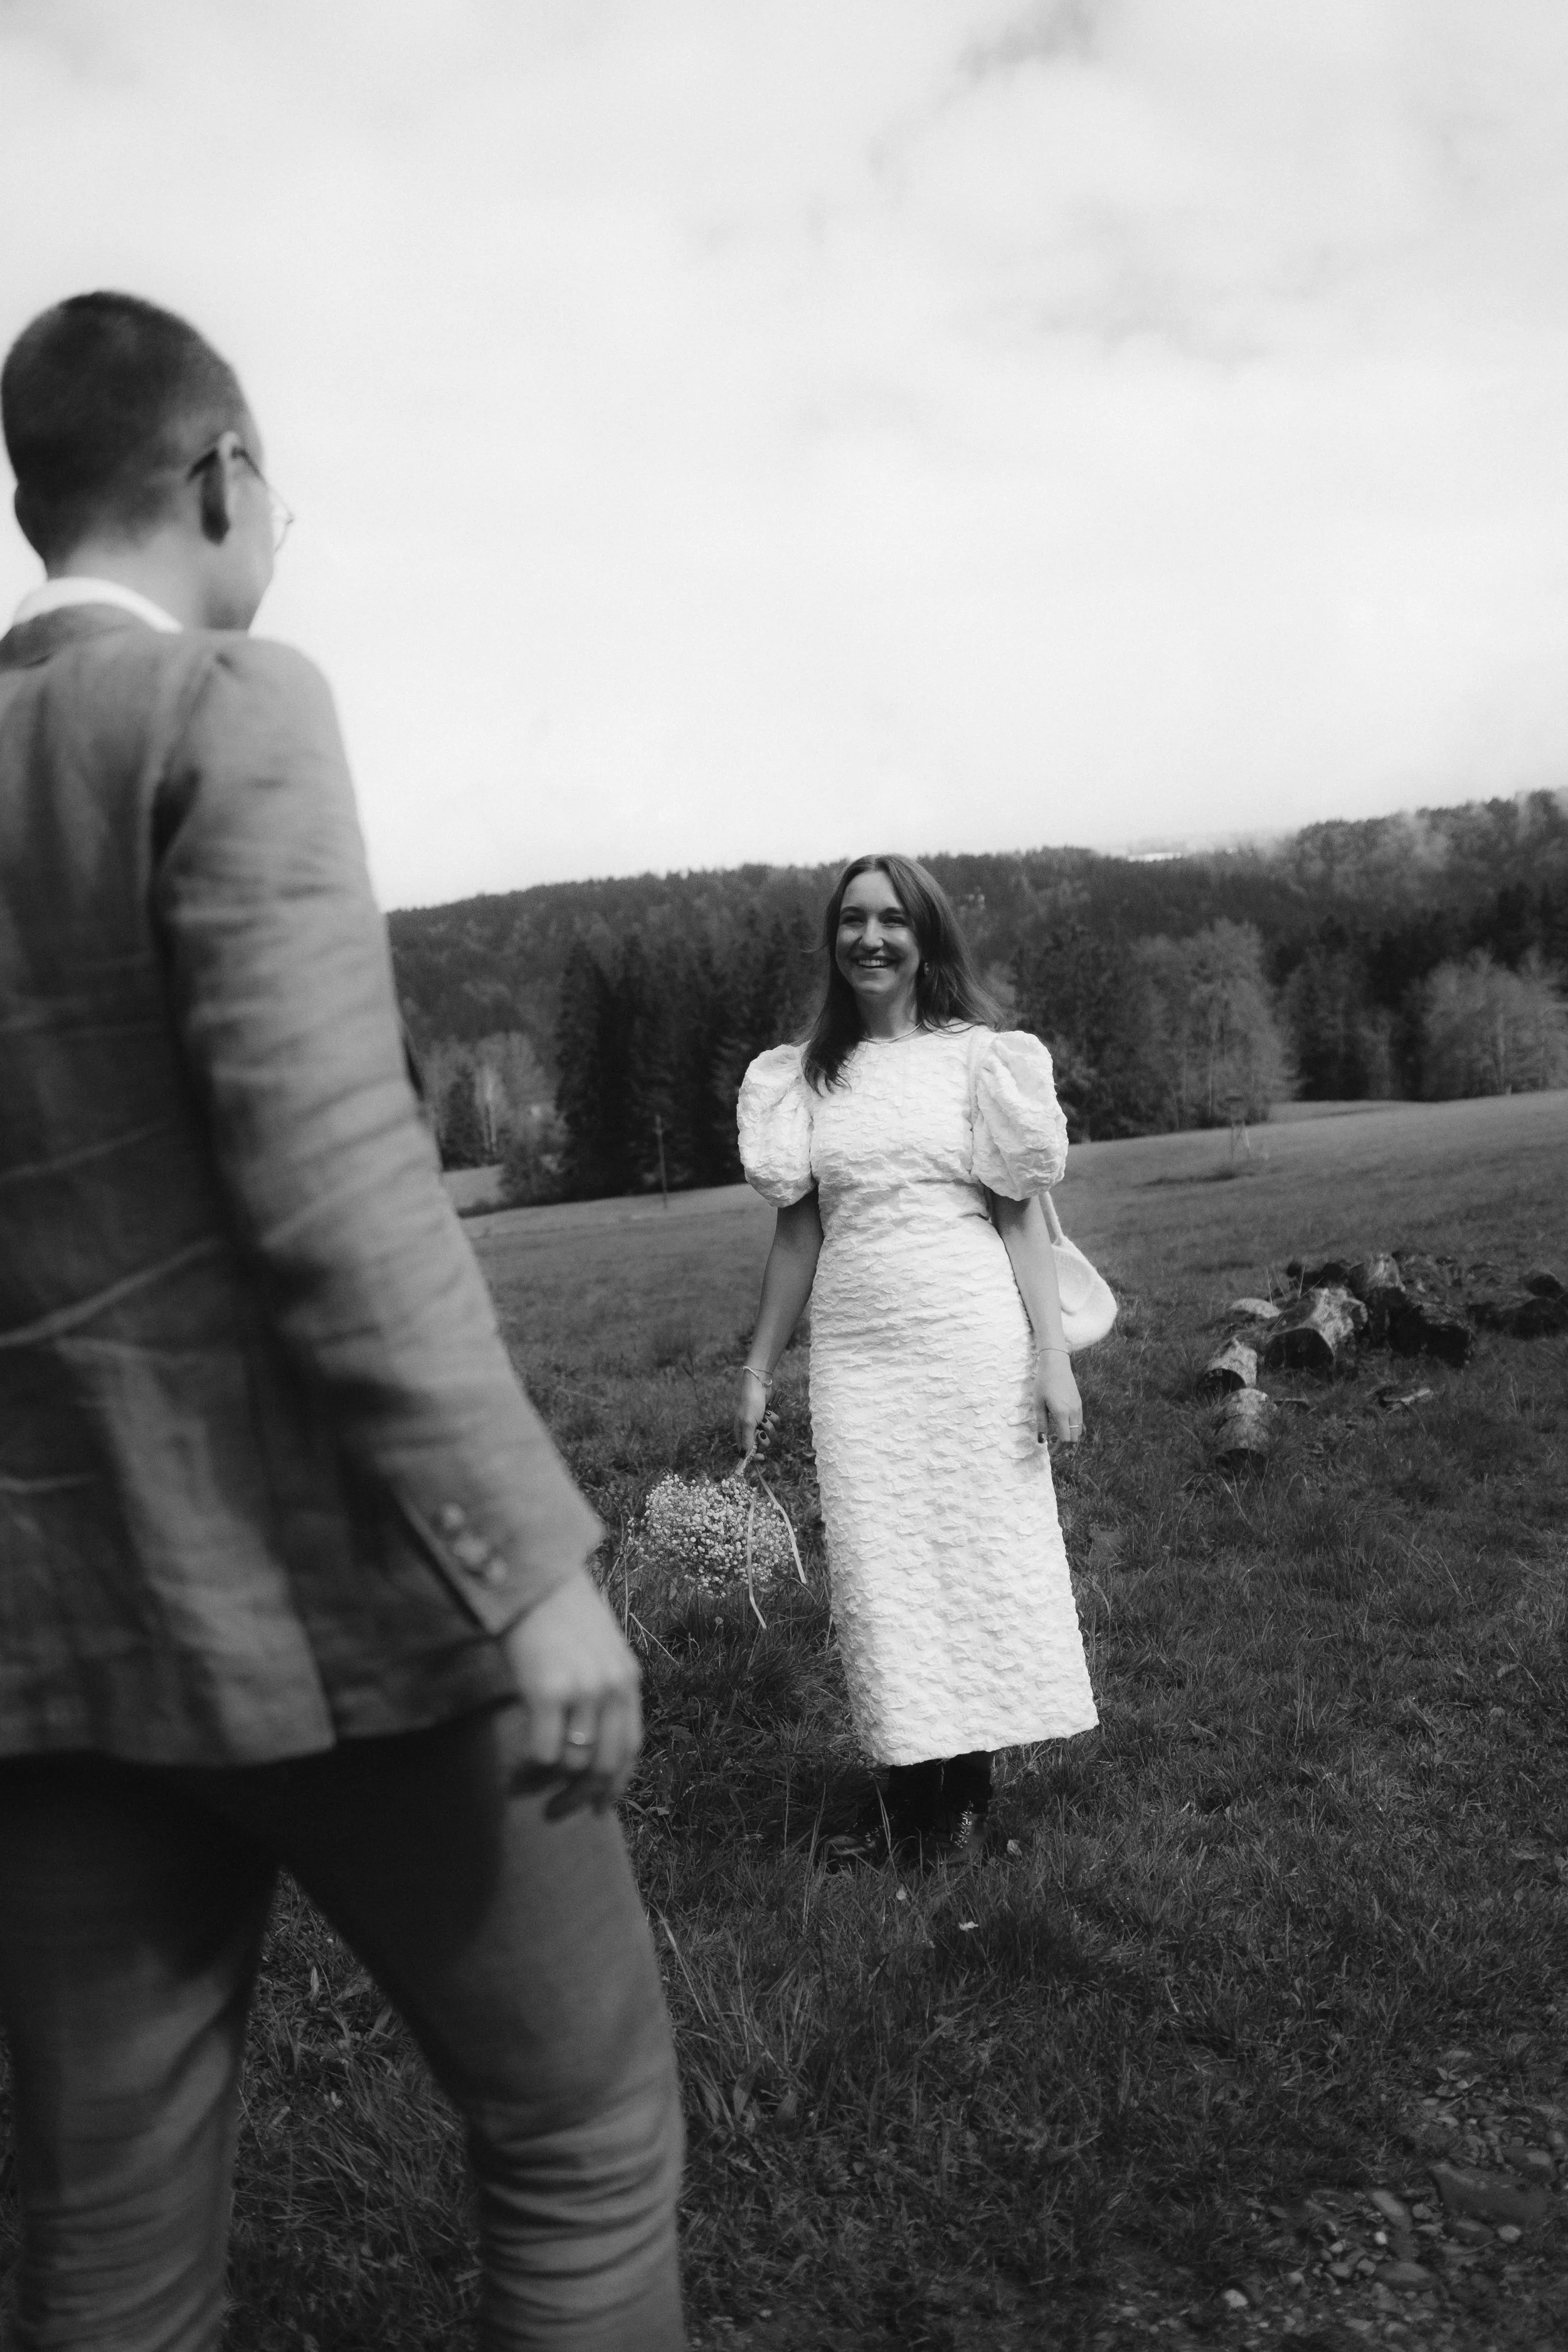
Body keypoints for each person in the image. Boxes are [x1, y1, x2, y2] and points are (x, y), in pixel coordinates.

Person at [0, 293, 684, 2352]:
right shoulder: (227, 704)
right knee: (582, 2134)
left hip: (48, 1645)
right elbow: (334, 1179)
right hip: (352, 1624)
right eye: (276, 487)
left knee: (103, 2251)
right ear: (219, 477)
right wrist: (533, 1564)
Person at [734, 854, 1098, 1860]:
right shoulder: (808, 1073)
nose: (871, 938)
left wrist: (1052, 1361)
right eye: (852, 920)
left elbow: (1021, 1220)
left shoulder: (980, 1058)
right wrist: (760, 1368)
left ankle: (968, 1795)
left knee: (975, 1550)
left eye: (893, 919)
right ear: (833, 939)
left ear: (926, 936)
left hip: (970, 1339)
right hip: (858, 1355)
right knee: (880, 1562)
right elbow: (798, 1238)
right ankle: (907, 1797)